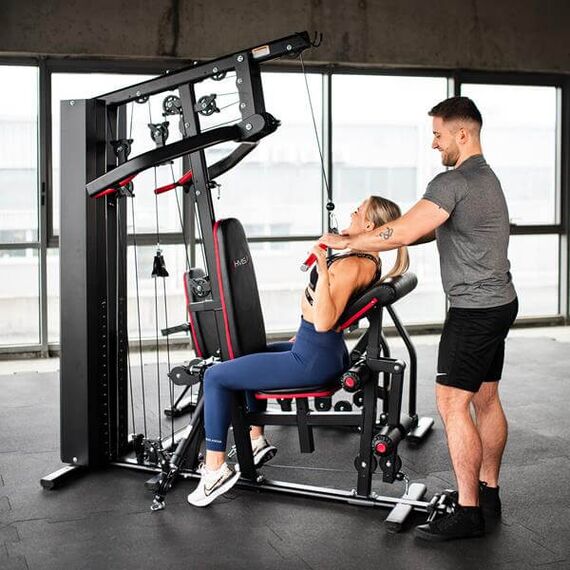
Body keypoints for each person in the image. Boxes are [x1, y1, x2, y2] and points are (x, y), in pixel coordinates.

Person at [321, 96, 518, 541]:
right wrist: (374, 234)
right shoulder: (485, 178)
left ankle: (468, 512)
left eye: (438, 134)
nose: (434, 144)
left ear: (462, 134)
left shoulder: (453, 180)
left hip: (473, 310)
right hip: (500, 302)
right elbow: (428, 229)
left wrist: (347, 241)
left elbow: (407, 230)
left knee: (452, 405)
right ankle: (487, 492)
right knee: (486, 399)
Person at [187, 196, 409, 507]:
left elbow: (325, 322)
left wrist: (322, 266)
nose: (352, 212)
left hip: (312, 359)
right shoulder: (366, 260)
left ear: (369, 225)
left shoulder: (353, 265)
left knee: (215, 376)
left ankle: (215, 470)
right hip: (319, 350)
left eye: (358, 211)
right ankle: (255, 440)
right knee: (244, 357)